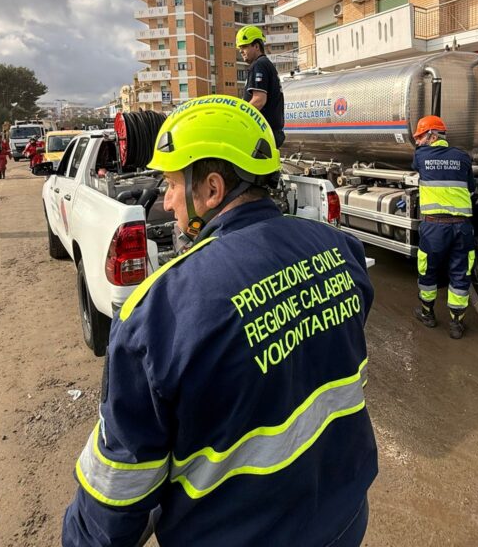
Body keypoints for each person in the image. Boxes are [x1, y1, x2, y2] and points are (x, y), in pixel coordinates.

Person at [61, 96, 377, 547]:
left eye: (173, 183)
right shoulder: (340, 250)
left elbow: (119, 487)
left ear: (211, 189)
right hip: (344, 522)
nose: (167, 201)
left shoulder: (158, 314)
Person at [412, 115, 476, 340]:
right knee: (460, 272)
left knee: (427, 270)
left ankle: (427, 314)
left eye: (420, 136)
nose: (417, 141)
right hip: (462, 227)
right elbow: (471, 188)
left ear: (432, 135)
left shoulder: (421, 156)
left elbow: (419, 167)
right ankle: (456, 324)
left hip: (434, 228)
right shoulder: (463, 157)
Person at [237, 25, 285, 148]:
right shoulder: (265, 64)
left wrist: (238, 118)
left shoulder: (259, 65)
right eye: (240, 48)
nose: (241, 51)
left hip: (263, 134)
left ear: (257, 46)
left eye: (244, 46)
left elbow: (259, 100)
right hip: (269, 132)